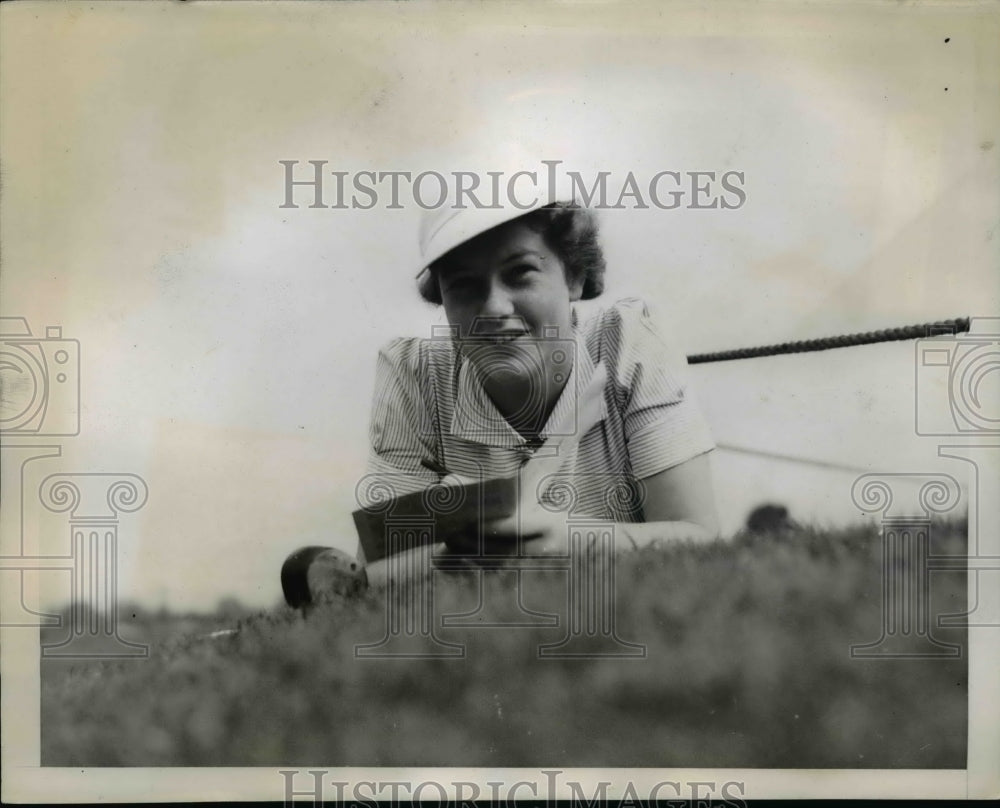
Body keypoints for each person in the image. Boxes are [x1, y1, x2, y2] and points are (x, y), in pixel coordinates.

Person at [283, 194, 721, 607]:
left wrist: (563, 544)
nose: (493, 306)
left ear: (574, 276)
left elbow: (699, 535)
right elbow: (380, 573)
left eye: (520, 273)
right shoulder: (412, 372)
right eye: (465, 285)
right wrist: (473, 556)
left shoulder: (629, 337)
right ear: (442, 298)